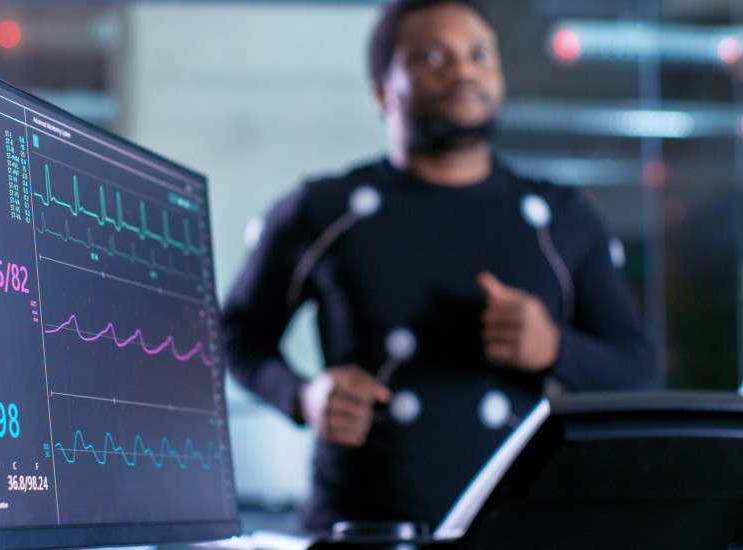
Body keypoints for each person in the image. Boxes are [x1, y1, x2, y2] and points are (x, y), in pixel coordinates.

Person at [220, 0, 658, 532]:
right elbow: (234, 335)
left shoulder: (563, 218)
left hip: (517, 530)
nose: (463, 70)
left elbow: (636, 367)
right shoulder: (322, 210)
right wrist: (303, 395)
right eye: (433, 57)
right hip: (357, 531)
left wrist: (555, 348)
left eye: (479, 56)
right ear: (382, 91)